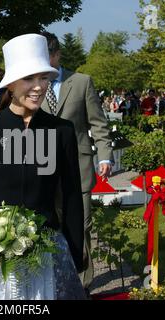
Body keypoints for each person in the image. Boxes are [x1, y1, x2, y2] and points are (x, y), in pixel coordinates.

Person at [0, 33, 86, 300]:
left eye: (44, 77)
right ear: (11, 84)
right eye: (29, 78)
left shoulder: (61, 130)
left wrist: (74, 254)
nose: (39, 86)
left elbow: (72, 197)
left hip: (49, 255)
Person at [40, 32, 113, 294]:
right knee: (50, 228)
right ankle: (55, 282)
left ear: (58, 55)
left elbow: (99, 124)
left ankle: (83, 286)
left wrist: (104, 155)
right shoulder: (32, 85)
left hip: (79, 169)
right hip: (44, 170)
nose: (44, 62)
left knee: (81, 228)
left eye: (48, 56)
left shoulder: (81, 82)